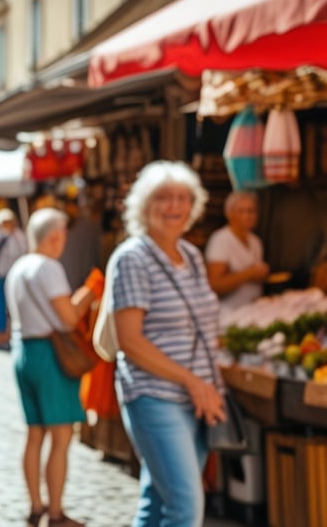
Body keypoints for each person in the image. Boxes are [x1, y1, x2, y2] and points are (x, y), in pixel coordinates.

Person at [107, 161, 224, 527]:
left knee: (158, 502)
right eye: (163, 198)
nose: (174, 206)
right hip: (155, 395)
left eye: (182, 198)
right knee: (185, 507)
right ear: (143, 205)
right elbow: (130, 341)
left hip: (199, 397)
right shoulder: (132, 258)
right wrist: (193, 381)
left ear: (194, 206)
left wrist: (208, 384)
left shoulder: (191, 255)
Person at [5, 208, 97, 527]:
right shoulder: (48, 267)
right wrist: (86, 295)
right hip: (50, 355)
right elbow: (69, 318)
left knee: (34, 435)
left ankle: (35, 506)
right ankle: (56, 513)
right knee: (60, 437)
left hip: (24, 352)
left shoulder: (19, 267)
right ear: (56, 235)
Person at [205, 191, 268, 313]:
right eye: (242, 211)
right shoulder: (221, 239)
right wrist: (249, 273)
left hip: (254, 309)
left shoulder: (256, 241)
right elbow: (215, 284)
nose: (247, 216)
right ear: (229, 213)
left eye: (251, 211)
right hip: (229, 312)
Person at [0, 207, 28, 350]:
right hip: (0, 275)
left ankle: (7, 337)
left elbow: (24, 250)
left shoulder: (18, 235)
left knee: (12, 307)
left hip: (13, 276)